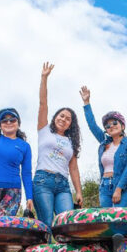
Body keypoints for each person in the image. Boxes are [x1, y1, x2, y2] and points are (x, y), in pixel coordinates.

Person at [33, 62, 83, 228]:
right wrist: (44, 78)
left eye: (68, 119)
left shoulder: (70, 142)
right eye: (61, 116)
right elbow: (43, 104)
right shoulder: (44, 130)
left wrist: (79, 191)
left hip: (62, 184)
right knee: (46, 222)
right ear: (55, 117)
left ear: (71, 124)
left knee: (66, 222)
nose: (63, 119)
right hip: (43, 180)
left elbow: (74, 169)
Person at [0, 73, 33, 216]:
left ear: (18, 123)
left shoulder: (24, 146)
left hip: (12, 191)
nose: (8, 122)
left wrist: (30, 197)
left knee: (4, 230)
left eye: (12, 119)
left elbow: (27, 173)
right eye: (4, 120)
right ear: (0, 125)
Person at [80, 86, 127, 207]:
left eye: (115, 123)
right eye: (107, 126)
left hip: (122, 186)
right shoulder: (104, 143)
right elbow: (92, 125)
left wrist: (119, 189)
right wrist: (86, 103)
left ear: (122, 126)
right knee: (106, 223)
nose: (111, 126)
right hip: (104, 186)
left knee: (120, 221)